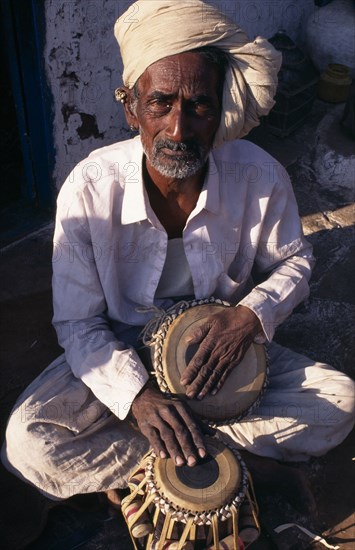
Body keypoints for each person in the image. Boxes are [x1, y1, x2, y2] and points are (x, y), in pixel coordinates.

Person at [2, 0, 354, 516]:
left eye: (200, 106)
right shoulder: (90, 189)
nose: (179, 129)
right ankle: (233, 463)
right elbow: (78, 323)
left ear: (220, 108)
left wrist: (248, 317)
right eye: (160, 103)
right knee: (29, 442)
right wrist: (138, 397)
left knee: (341, 404)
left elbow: (295, 261)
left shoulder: (259, 176)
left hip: (226, 351)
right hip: (125, 349)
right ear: (131, 107)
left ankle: (165, 457)